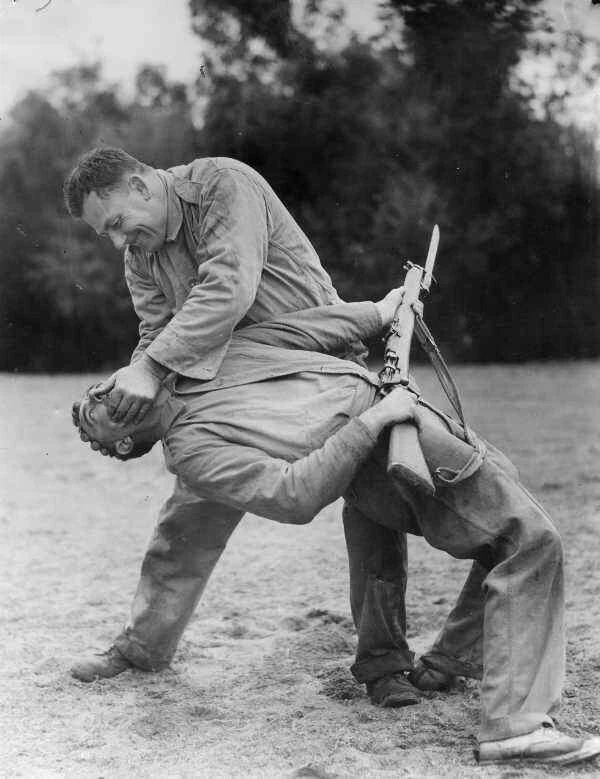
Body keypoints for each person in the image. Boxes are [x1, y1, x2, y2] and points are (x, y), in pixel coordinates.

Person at [73, 294, 600, 767]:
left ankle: (450, 662)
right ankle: (516, 727)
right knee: (530, 543)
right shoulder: (192, 454)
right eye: (95, 415)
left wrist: (385, 308)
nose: (98, 397)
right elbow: (293, 496)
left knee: (503, 532)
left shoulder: (205, 353)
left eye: (95, 392)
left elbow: (311, 331)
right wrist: (375, 420)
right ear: (123, 444)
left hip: (407, 419)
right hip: (387, 449)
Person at [63, 147, 414, 707]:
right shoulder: (141, 255)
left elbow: (229, 288)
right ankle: (142, 648)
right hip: (225, 386)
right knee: (191, 505)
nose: (116, 242)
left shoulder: (225, 184)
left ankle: (385, 664)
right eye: (105, 233)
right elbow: (155, 334)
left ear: (140, 185)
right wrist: (138, 377)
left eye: (116, 223)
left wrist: (151, 368)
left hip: (313, 364)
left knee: (371, 498)